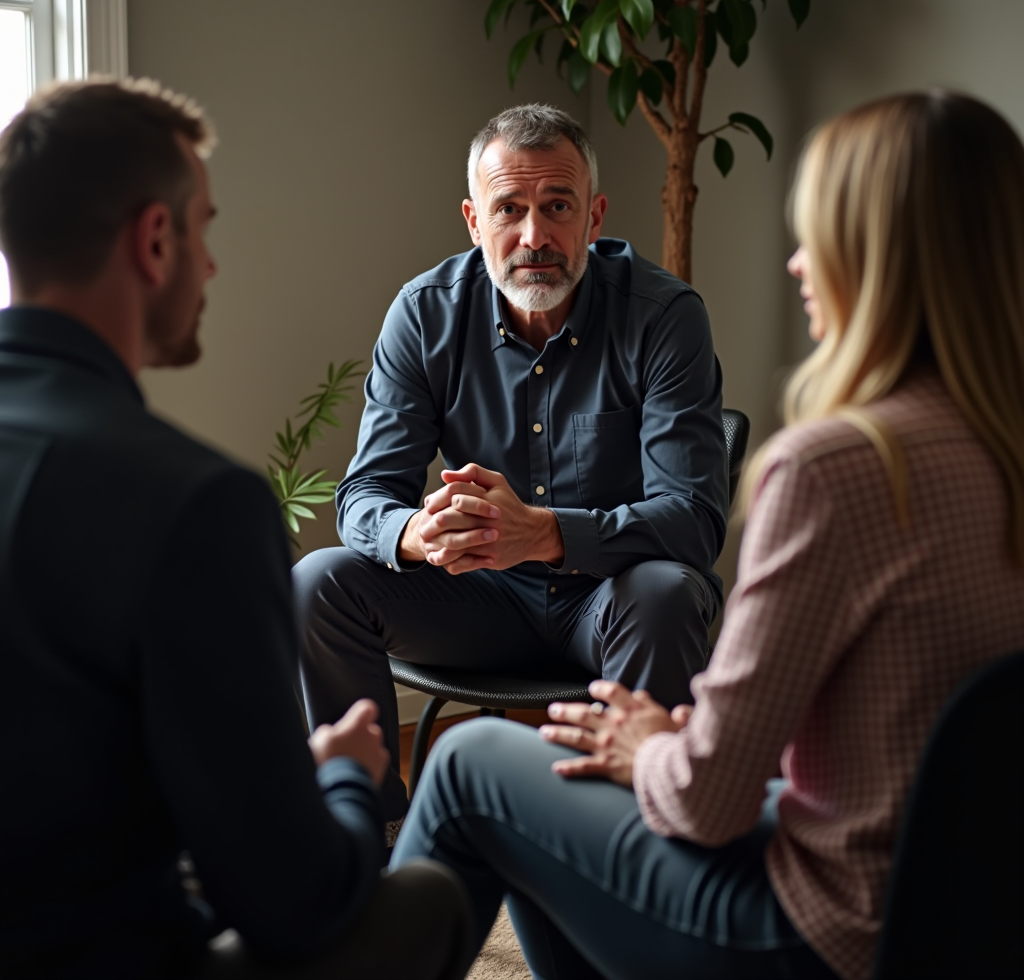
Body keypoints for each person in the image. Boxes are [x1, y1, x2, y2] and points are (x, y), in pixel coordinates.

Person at [390, 90, 1024, 980]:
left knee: (471, 761)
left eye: (819, 235)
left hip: (820, 932)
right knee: (555, 793)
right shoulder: (999, 446)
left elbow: (707, 800)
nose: (798, 264)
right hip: (965, 918)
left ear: (877, 258)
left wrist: (652, 747)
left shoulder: (835, 468)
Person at [0, 79, 470, 979]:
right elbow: (297, 905)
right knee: (428, 900)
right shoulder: (194, 502)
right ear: (155, 239)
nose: (211, 267)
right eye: (203, 230)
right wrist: (338, 775)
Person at [294, 104, 729, 831]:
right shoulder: (425, 314)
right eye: (509, 209)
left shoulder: (664, 315)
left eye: (558, 206)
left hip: (613, 601)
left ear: (594, 216)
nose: (535, 237)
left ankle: (630, 849)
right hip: (478, 600)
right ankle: (369, 843)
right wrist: (418, 533)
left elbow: (694, 521)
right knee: (318, 583)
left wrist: (547, 533)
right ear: (474, 221)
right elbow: (365, 495)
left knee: (666, 593)